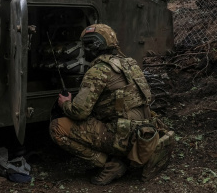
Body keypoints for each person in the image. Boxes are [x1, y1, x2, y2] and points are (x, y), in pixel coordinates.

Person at [49, 24, 174, 185]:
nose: (84, 50)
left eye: (86, 45)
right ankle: (122, 157)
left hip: (123, 136)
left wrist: (65, 104)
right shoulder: (130, 63)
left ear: (93, 46)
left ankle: (110, 164)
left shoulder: (98, 70)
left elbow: (79, 112)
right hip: (144, 131)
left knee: (57, 127)